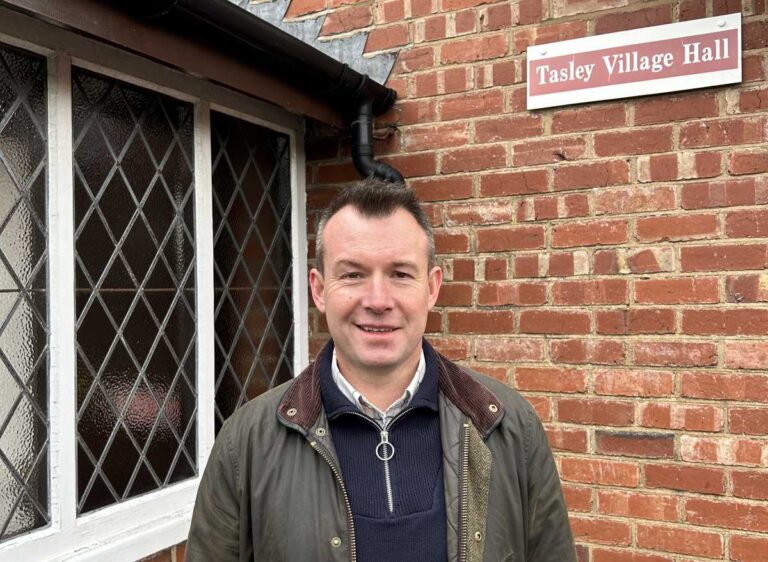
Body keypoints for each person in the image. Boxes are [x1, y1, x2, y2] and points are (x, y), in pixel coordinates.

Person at [186, 178, 576, 561]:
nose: (377, 300)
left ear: (432, 287)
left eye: (400, 274)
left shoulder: (510, 428)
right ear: (319, 290)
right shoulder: (246, 445)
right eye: (353, 274)